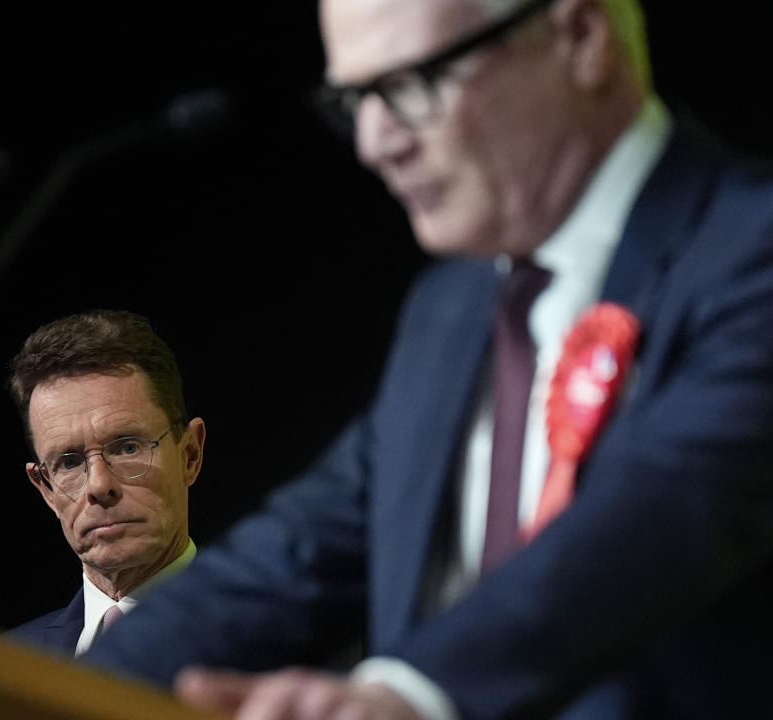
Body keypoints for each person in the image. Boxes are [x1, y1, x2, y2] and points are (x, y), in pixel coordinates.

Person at [81, 0, 773, 718]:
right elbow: (290, 560)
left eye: (412, 83)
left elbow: (662, 515)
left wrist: (410, 694)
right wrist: (17, 688)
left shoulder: (753, 254)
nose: (376, 143)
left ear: (580, 36)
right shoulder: (448, 311)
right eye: (354, 100)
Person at [2, 309, 206, 656]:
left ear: (189, 454)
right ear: (46, 489)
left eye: (127, 448)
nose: (99, 485)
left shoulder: (276, 637)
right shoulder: (3, 667)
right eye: (68, 462)